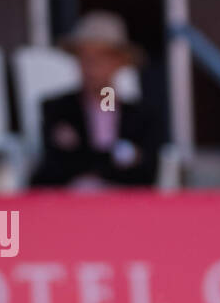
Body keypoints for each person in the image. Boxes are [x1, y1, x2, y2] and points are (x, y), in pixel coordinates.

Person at [28, 11, 162, 189]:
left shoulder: (142, 116)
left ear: (119, 63)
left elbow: (146, 175)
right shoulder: (57, 108)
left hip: (125, 208)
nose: (91, 65)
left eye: (101, 57)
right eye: (84, 57)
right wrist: (115, 157)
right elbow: (52, 170)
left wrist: (82, 156)